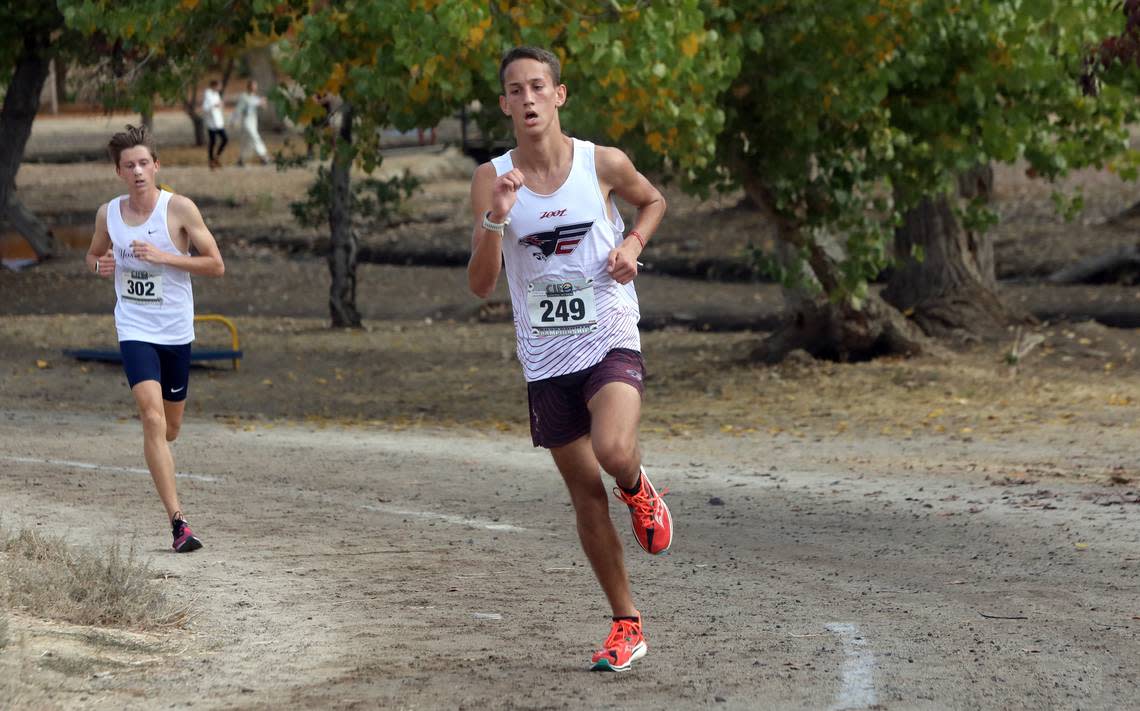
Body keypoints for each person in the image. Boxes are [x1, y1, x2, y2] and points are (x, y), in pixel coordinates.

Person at [467, 46, 672, 672]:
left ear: (559, 95)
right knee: (586, 494)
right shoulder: (491, 178)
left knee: (612, 452)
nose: (526, 98)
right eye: (514, 90)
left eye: (537, 86)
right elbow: (480, 285)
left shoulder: (601, 162)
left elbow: (653, 200)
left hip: (608, 331)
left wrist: (633, 243)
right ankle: (626, 624)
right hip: (546, 354)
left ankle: (638, 487)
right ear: (503, 104)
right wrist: (497, 220)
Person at [86, 124, 225, 552]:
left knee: (171, 427)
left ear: (156, 166)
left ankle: (158, 453)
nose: (139, 171)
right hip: (134, 328)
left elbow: (216, 264)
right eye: (130, 165)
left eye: (144, 163)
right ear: (119, 172)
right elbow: (92, 255)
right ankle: (178, 523)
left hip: (175, 331)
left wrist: (165, 257)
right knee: (151, 417)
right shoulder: (108, 214)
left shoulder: (179, 209)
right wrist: (98, 267)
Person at [230, 79, 271, 166]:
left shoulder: (255, 97)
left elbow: (262, 105)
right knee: (255, 137)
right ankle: (264, 157)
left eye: (256, 86)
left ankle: (241, 160)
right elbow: (238, 109)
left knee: (247, 142)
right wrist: (233, 120)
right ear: (249, 86)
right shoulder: (244, 97)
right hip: (246, 122)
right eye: (253, 86)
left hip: (253, 121)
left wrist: (263, 103)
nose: (255, 88)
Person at [201, 80, 227, 169]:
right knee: (213, 142)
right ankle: (211, 161)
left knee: (225, 139)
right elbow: (205, 108)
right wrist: (214, 106)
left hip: (218, 122)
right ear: (214, 86)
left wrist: (220, 105)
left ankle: (216, 157)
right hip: (211, 123)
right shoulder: (207, 95)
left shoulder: (216, 94)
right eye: (218, 86)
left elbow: (219, 105)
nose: (220, 88)